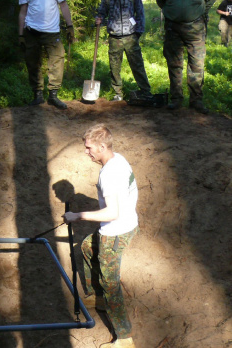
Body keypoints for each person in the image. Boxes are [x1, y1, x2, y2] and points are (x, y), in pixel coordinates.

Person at [63, 124, 138, 348]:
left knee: (110, 284)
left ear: (102, 146)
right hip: (127, 224)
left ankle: (125, 338)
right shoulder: (118, 159)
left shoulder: (109, 174)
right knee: (87, 247)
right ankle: (97, 297)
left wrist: (77, 216)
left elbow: (112, 213)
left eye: (89, 148)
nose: (86, 152)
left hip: (115, 232)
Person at [157, 0, 216, 114]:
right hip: (172, 26)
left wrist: (202, 11)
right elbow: (161, 1)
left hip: (195, 26)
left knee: (197, 64)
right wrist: (171, 9)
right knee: (174, 64)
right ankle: (176, 98)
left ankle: (196, 100)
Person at [18, 0, 75, 110]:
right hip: (31, 32)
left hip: (52, 31)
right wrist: (20, 35)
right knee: (32, 62)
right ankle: (37, 95)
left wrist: (70, 25)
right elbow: (22, 11)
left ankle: (53, 95)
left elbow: (63, 5)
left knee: (57, 60)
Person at [95, 0, 152, 101]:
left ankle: (145, 92)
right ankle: (118, 93)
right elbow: (102, 11)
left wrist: (139, 31)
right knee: (114, 67)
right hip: (114, 36)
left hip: (131, 35)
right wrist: (99, 18)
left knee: (137, 65)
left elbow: (140, 12)